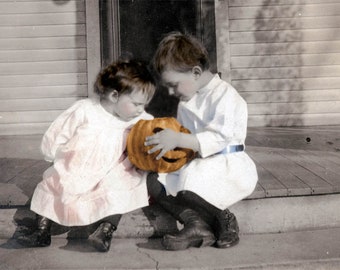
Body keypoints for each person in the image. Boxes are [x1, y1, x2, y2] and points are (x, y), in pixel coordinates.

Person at [17, 60, 156, 252]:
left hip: (112, 170)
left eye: (144, 105)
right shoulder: (85, 110)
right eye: (136, 104)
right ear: (114, 95)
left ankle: (105, 230)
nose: (141, 109)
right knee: (52, 185)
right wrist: (54, 154)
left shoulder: (137, 118)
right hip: (77, 167)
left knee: (121, 188)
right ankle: (41, 231)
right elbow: (60, 132)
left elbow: (154, 128)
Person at [145, 32, 258, 250]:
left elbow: (220, 137)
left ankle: (224, 220)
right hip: (198, 163)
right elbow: (183, 134)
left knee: (188, 188)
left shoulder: (225, 95)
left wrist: (179, 138)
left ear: (196, 72)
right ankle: (195, 224)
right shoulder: (187, 99)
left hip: (226, 163)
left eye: (174, 84)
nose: (170, 91)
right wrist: (170, 149)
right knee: (154, 182)